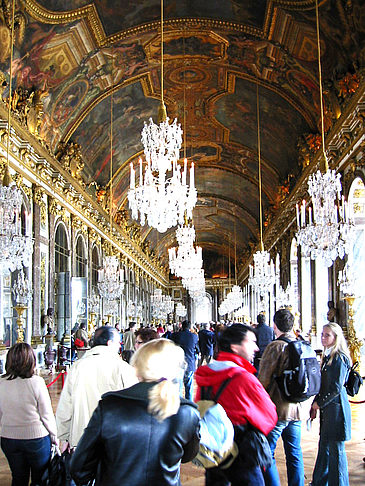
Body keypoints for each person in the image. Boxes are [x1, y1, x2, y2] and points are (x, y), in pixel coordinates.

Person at [70, 339, 201, 486]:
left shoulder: (110, 405)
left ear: (138, 368)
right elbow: (187, 455)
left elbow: (79, 467)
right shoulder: (187, 412)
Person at [195, 323, 277, 486]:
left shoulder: (206, 374)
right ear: (235, 346)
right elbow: (269, 416)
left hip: (215, 448)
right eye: (251, 342)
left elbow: (200, 405)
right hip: (242, 452)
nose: (256, 348)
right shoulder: (243, 378)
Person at [56, 326, 137, 448]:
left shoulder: (77, 367)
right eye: (118, 343)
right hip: (114, 440)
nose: (120, 346)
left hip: (82, 439)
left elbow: (65, 406)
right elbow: (133, 407)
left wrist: (63, 437)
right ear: (110, 343)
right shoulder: (123, 369)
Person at [258, 309, 308, 486]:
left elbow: (262, 380)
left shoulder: (275, 346)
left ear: (275, 325)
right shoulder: (302, 343)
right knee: (294, 453)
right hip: (299, 408)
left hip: (278, 410)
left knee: (265, 453)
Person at [0, 343, 58, 486]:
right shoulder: (36, 382)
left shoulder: (1, 382)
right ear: (31, 360)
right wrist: (55, 436)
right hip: (36, 438)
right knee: (40, 479)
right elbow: (46, 415)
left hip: (8, 438)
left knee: (18, 478)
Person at [310, 322, 351, 486]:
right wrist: (316, 403)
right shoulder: (329, 356)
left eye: (327, 335)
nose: (323, 337)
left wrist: (318, 404)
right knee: (325, 448)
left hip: (337, 410)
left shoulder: (339, 358)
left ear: (336, 337)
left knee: (336, 451)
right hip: (329, 409)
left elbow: (335, 388)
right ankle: (320, 482)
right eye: (322, 334)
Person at [171, 320, 199, 401]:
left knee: (178, 386)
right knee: (189, 386)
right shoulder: (194, 336)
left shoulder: (175, 335)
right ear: (190, 327)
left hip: (178, 363)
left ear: (181, 326)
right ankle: (189, 404)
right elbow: (196, 348)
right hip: (190, 362)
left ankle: (179, 404)